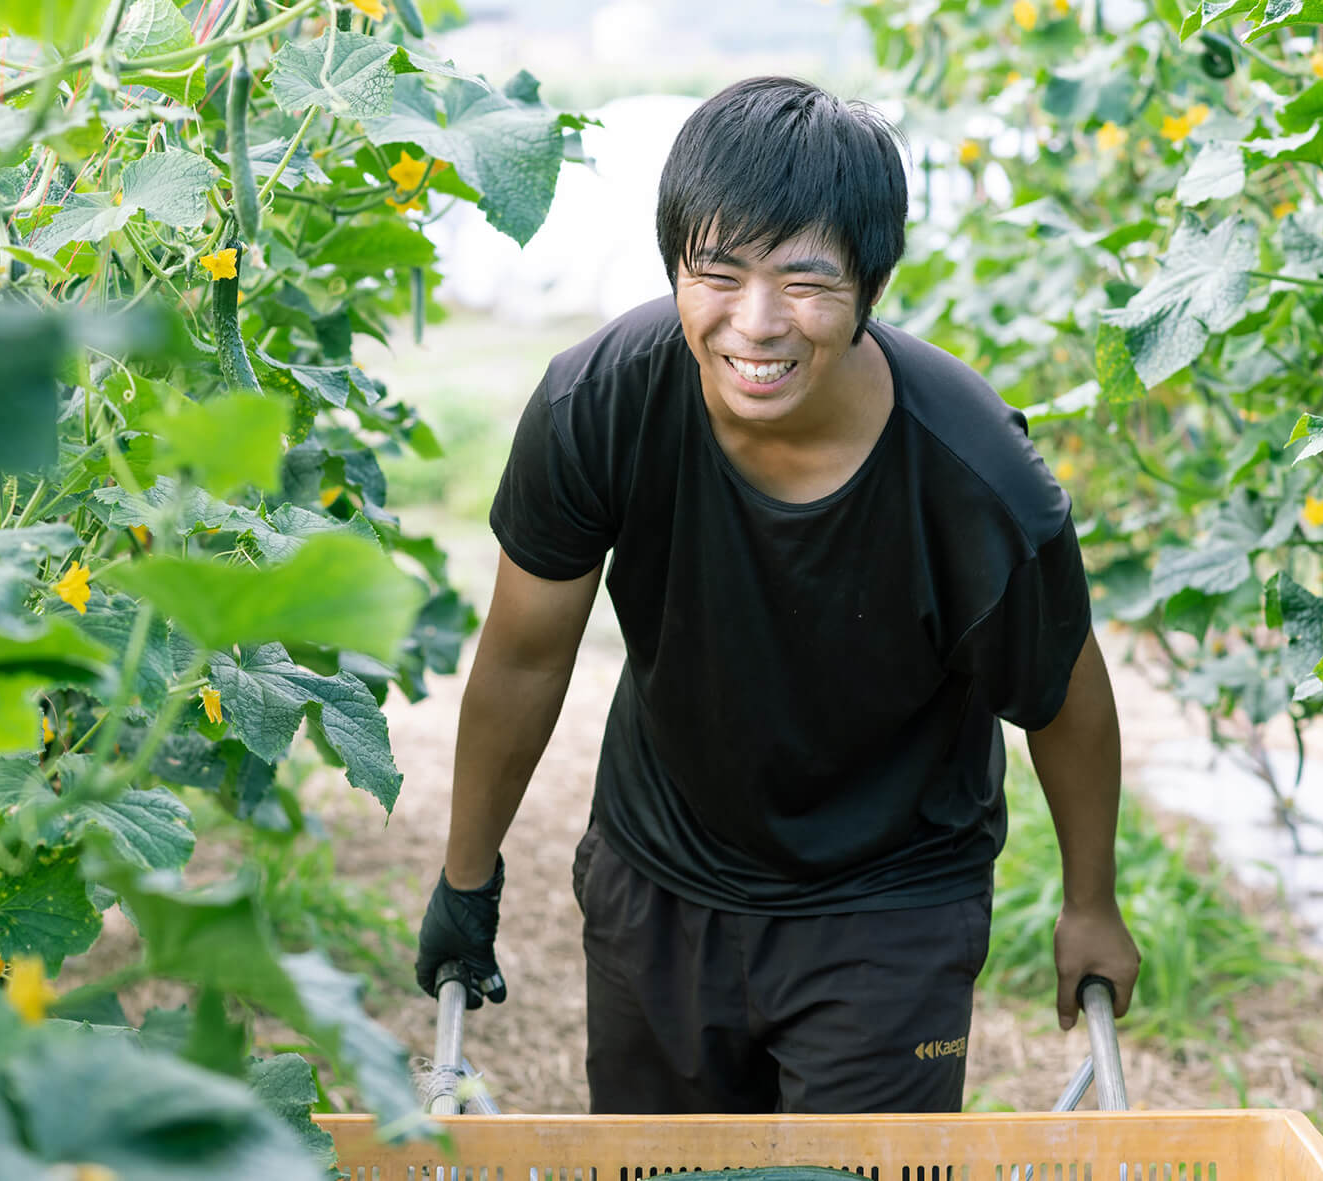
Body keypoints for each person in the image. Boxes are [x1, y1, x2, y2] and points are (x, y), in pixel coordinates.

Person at [413, 75, 1142, 1115]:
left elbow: (1064, 699)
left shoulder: (971, 476)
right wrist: (465, 878)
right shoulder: (599, 403)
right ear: (674, 265)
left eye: (804, 283)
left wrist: (1090, 901)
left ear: (869, 286)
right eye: (717, 272)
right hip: (658, 871)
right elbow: (526, 653)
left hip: (889, 896)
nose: (754, 324)